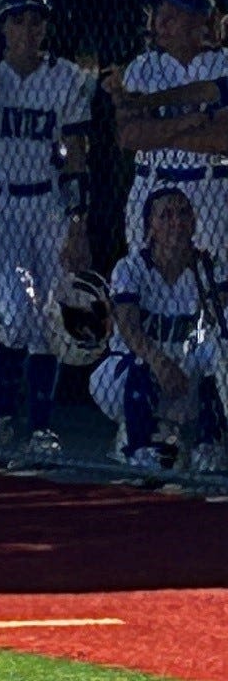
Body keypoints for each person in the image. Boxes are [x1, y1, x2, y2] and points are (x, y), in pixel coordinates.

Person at [0, 0, 95, 454]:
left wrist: (77, 223)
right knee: (15, 314)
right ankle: (3, 413)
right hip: (1, 205)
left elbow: (77, 156)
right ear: (3, 27)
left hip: (47, 203)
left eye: (37, 22)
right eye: (19, 21)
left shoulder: (66, 77)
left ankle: (41, 429)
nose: (28, 30)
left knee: (52, 318)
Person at [92, 187, 228, 474]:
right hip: (134, 373)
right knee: (140, 362)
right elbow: (129, 328)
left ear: (193, 222)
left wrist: (206, 285)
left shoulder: (209, 266)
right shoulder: (130, 267)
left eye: (182, 214)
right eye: (165, 215)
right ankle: (138, 445)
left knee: (220, 351)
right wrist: (160, 362)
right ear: (150, 226)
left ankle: (208, 440)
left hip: (185, 370)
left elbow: (220, 324)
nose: (175, 222)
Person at [107, 0, 228, 264]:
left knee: (216, 292)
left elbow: (223, 138)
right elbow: (129, 136)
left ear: (199, 20)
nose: (161, 20)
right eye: (160, 10)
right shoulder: (143, 67)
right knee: (150, 285)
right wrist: (190, 123)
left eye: (174, 13)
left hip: (211, 190)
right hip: (152, 183)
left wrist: (156, 133)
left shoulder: (223, 64)